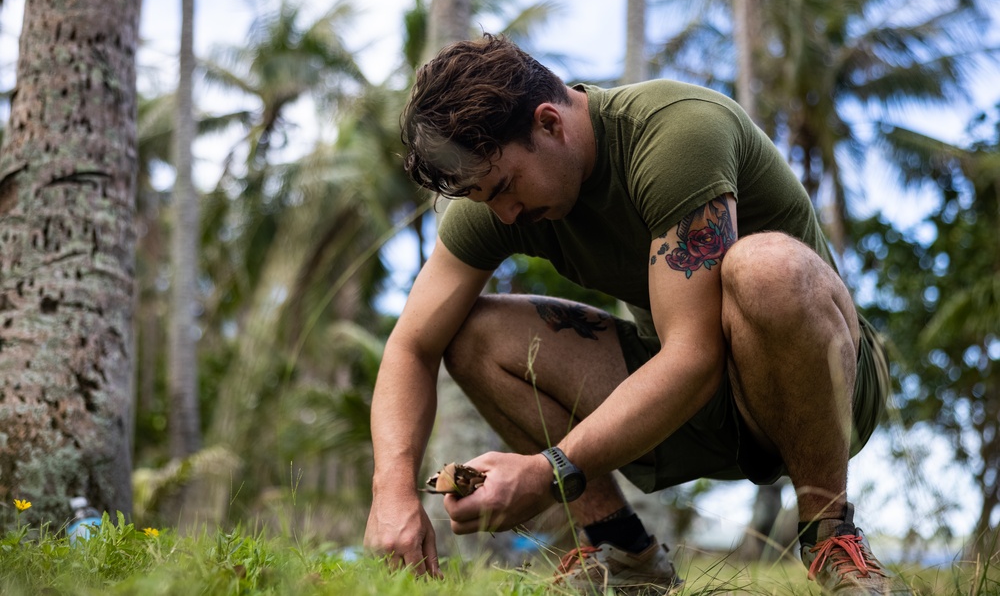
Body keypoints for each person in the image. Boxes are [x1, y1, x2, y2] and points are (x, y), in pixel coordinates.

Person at [363, 33, 908, 596]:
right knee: (471, 332)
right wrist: (391, 491)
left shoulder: (677, 133)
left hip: (818, 386)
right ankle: (623, 557)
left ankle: (832, 541)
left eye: (505, 188)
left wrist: (544, 472)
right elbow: (411, 345)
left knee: (764, 267)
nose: (506, 214)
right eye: (484, 199)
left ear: (550, 123)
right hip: (688, 404)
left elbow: (694, 356)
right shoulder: (502, 204)